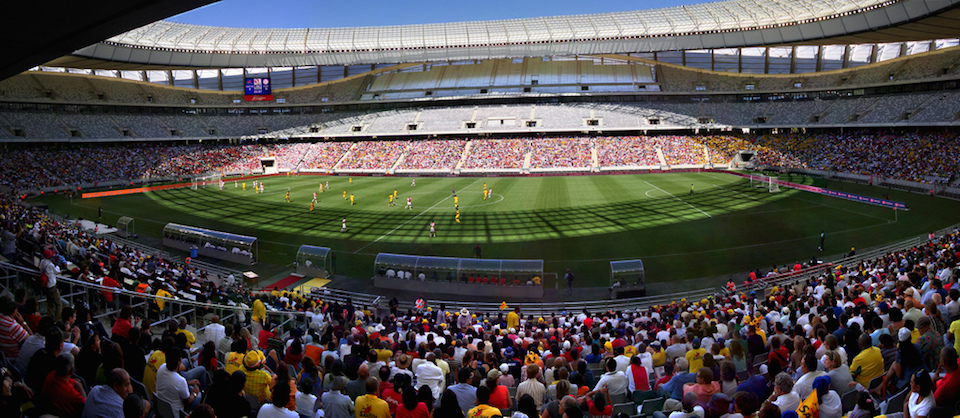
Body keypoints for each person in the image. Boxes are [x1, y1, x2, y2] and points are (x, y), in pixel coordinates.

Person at [156, 347, 201, 415]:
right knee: (199, 396)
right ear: (179, 361)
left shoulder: (161, 368)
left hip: (162, 407)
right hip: (176, 413)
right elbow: (188, 401)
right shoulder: (180, 381)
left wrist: (188, 383)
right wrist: (195, 394)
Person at [43, 353, 86, 418]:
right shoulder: (70, 394)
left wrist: (74, 382)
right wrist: (80, 386)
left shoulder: (51, 375)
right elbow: (85, 402)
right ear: (72, 370)